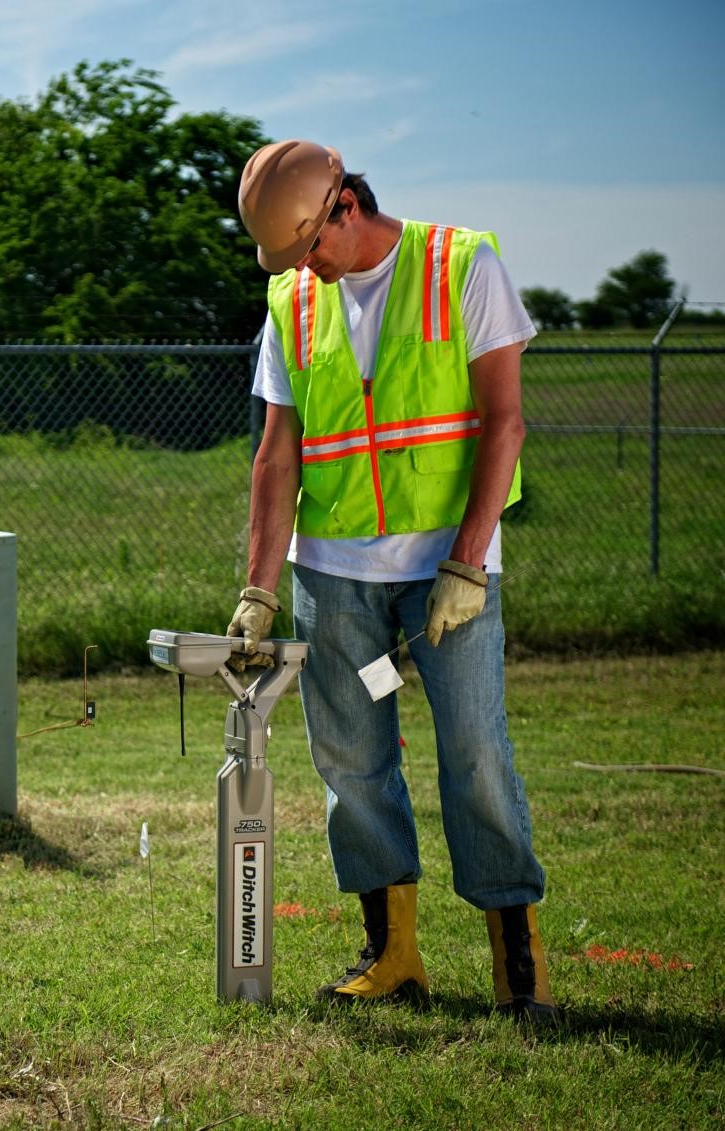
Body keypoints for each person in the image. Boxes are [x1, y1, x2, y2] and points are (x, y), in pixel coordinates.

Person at [228, 139, 560, 1023]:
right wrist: (260, 589)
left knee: (475, 753)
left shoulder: (463, 265)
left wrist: (468, 559)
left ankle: (516, 967)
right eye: (290, 260)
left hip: (445, 572)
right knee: (351, 762)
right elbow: (277, 456)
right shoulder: (293, 299)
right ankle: (393, 952)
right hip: (332, 574)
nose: (306, 270)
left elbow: (505, 421)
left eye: (308, 249)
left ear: (343, 206)